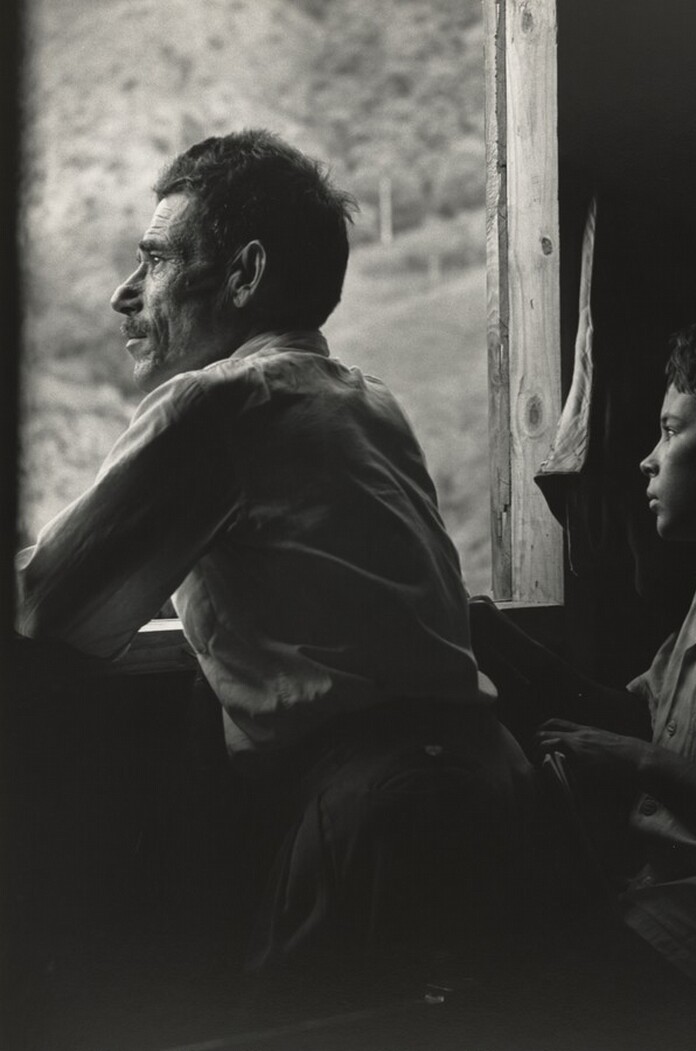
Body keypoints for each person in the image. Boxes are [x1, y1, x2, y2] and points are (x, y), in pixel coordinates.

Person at [15, 129, 534, 973]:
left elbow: (47, 602)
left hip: (376, 810)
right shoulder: (366, 402)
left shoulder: (216, 405)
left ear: (244, 275)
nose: (125, 293)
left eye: (153, 260)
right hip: (489, 778)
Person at [473, 304, 696, 1021]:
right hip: (675, 899)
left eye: (671, 430)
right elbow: (645, 711)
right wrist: (497, 637)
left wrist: (644, 764)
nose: (647, 457)